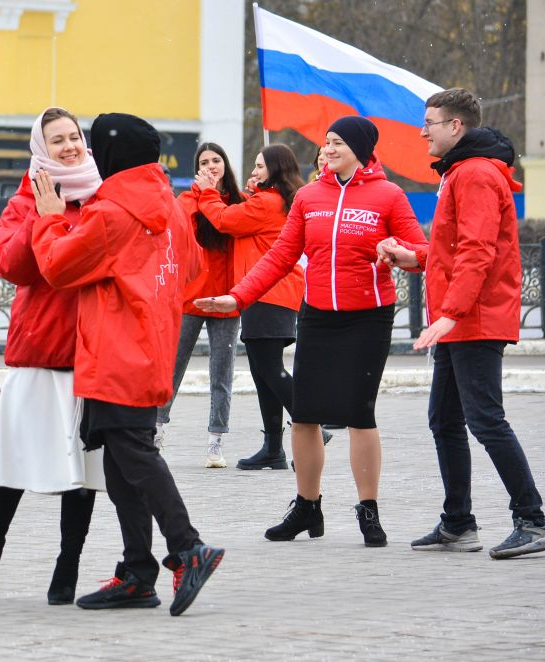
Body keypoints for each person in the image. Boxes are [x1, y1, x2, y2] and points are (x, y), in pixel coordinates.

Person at [196, 116, 427, 548]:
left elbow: (424, 251)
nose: (329, 149)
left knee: (360, 413)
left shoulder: (388, 196)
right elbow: (280, 256)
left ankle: (369, 510)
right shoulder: (308, 196)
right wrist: (238, 297)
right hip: (318, 314)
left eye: (338, 142)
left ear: (360, 148)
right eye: (326, 142)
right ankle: (307, 506)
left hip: (369, 315)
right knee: (303, 413)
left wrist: (402, 253)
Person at [31, 112, 223, 617]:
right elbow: (194, 267)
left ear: (110, 155)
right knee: (120, 467)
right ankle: (138, 571)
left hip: (115, 352)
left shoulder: (110, 212)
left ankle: (188, 549)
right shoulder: (169, 206)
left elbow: (56, 265)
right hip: (150, 345)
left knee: (134, 456)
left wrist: (49, 215)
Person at [378, 88, 545, 559]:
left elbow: (479, 252)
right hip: (461, 320)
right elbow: (450, 250)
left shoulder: (475, 174)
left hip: (474, 319)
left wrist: (451, 313)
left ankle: (533, 519)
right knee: (444, 420)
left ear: (455, 127)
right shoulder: (462, 171)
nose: (422, 132)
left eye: (430, 123)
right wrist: (412, 256)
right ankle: (458, 523)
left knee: (485, 419)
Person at [0, 107, 104, 605]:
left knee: (82, 473)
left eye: (74, 137)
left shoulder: (100, 194)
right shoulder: (25, 199)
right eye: (58, 140)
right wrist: (44, 219)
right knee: (14, 463)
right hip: (40, 349)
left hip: (91, 351)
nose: (69, 146)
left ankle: (67, 565)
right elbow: (12, 266)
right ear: (41, 148)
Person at [194, 144, 308, 470]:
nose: (254, 171)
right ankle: (273, 449)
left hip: (267, 293)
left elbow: (224, 220)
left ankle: (311, 423)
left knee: (270, 369)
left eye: (260, 166)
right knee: (263, 374)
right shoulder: (271, 201)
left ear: (276, 168)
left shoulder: (268, 203)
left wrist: (207, 193)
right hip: (268, 295)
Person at [155, 142, 244, 469]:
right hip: (190, 296)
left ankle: (215, 441)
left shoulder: (237, 200)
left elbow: (228, 225)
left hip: (225, 299)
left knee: (222, 373)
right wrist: (200, 193)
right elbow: (176, 234)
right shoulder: (187, 200)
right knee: (172, 368)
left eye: (216, 160)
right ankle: (157, 430)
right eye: (204, 161)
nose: (210, 166)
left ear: (225, 164)